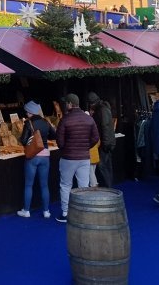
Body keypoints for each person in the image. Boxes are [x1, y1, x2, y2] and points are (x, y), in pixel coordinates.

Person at [55, 93, 99, 223]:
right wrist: (86, 146)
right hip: (84, 157)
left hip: (68, 157)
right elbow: (95, 138)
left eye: (66, 103)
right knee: (83, 186)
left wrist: (66, 148)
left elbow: (60, 141)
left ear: (69, 104)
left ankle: (66, 212)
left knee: (65, 185)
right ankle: (83, 212)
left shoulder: (65, 120)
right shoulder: (89, 119)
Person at [17, 101, 54, 219]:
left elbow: (23, 140)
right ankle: (46, 211)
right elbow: (54, 136)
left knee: (28, 184)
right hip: (45, 156)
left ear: (29, 112)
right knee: (44, 185)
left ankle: (26, 211)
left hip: (33, 156)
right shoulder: (46, 121)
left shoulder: (28, 123)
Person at [87, 92, 116, 188]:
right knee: (107, 167)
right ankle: (109, 188)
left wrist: (105, 144)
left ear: (92, 103)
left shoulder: (101, 111)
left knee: (103, 167)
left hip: (104, 144)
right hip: (107, 143)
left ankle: (107, 190)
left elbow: (105, 127)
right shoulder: (104, 109)